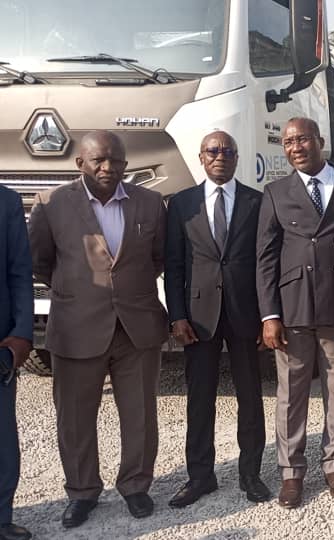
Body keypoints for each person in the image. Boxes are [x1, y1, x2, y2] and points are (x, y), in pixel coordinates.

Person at [29, 131, 167, 527]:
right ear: (80, 164)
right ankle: (82, 491)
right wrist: (78, 292)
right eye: (99, 160)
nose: (109, 168)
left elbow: (158, 258)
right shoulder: (51, 204)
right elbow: (40, 261)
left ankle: (136, 486)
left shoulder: (150, 203)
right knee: (75, 418)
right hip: (77, 327)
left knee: (140, 414)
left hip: (136, 328)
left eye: (117, 161)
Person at [256, 117, 334, 509]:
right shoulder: (275, 192)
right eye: (288, 142)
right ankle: (292, 473)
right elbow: (265, 258)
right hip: (294, 306)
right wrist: (269, 315)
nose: (295, 148)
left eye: (302, 139)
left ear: (320, 141)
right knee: (291, 394)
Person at [165, 131, 269, 508]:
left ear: (237, 157)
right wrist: (177, 315)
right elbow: (174, 264)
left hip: (245, 313)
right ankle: (200, 476)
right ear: (201, 157)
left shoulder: (257, 202)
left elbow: (265, 263)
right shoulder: (182, 204)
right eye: (213, 150)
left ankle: (250, 474)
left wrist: (268, 316)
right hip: (199, 317)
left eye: (227, 150)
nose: (220, 156)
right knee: (200, 398)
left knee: (250, 397)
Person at [0, 184, 33, 540]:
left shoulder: (6, 201)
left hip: (1, 344)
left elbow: (20, 272)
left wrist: (22, 332)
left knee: (2, 439)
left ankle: (2, 518)